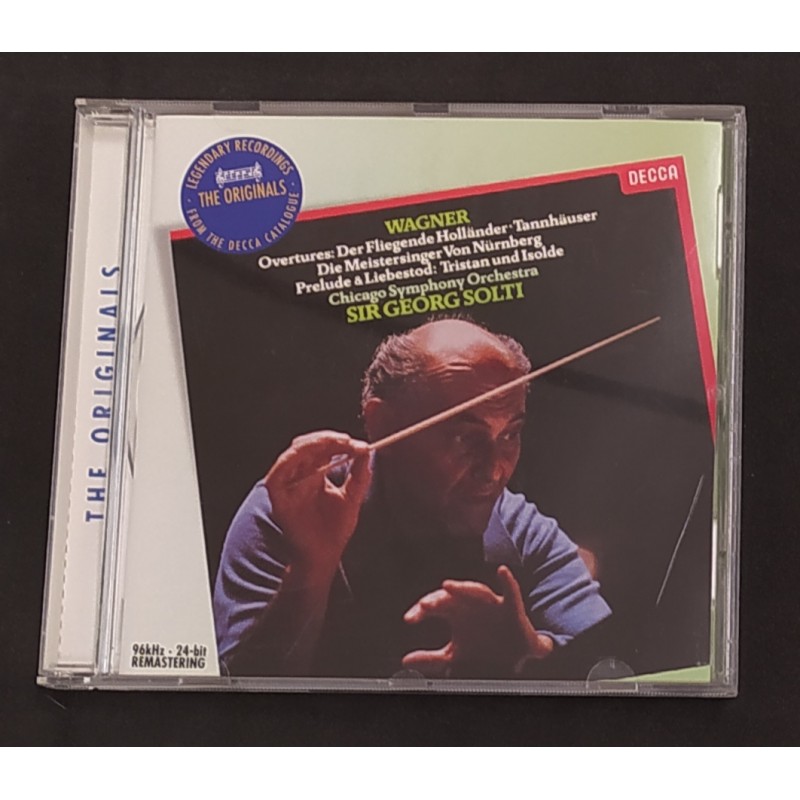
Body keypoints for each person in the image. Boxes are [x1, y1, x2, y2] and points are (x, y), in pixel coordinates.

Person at [212, 318, 611, 679]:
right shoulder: (296, 509)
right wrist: (312, 567)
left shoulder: (522, 530)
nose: (494, 470)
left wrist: (530, 654)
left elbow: (616, 667)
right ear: (383, 423)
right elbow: (238, 700)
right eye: (464, 437)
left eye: (510, 434)